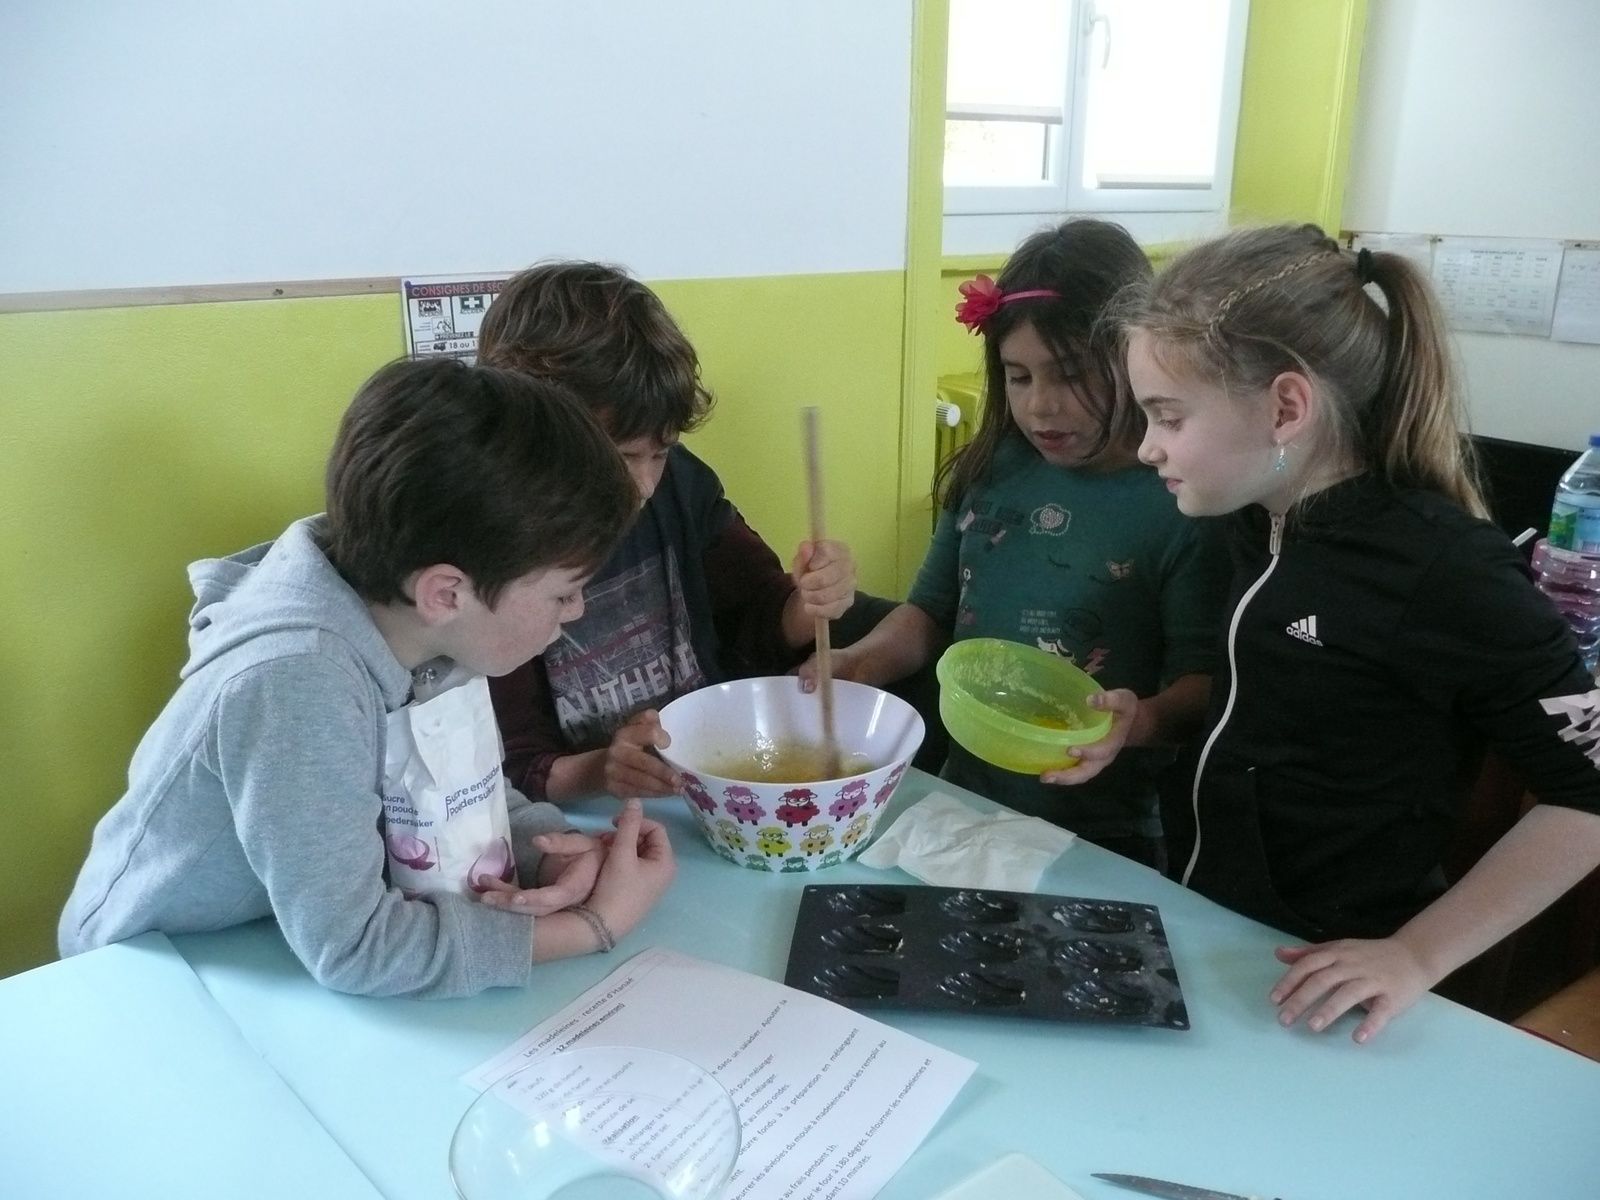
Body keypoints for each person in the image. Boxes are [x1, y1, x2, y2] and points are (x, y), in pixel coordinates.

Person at [58, 359, 676, 997]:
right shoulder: (297, 683)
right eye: (564, 593)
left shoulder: (418, 615)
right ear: (446, 593)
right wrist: (591, 926)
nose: (576, 613)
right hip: (149, 971)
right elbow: (356, 948)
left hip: (269, 937)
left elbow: (457, 787)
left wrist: (552, 850)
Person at [1121, 222, 1600, 1041]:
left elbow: (1587, 796)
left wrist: (1415, 955)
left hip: (1326, 984)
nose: (1145, 448)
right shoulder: (1255, 523)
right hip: (1218, 933)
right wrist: (1148, 721)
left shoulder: (1444, 569)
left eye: (1167, 417)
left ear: (1286, 408)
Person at [800, 220, 1228, 869]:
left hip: (1104, 833)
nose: (1039, 407)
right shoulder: (992, 469)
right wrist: (858, 663)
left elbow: (1202, 686)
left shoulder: (1178, 501)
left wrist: (1136, 721)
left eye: (1070, 375)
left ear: (1135, 358)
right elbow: (928, 614)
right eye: (1018, 376)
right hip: (962, 800)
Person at [478, 262, 858, 803]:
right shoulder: (490, 551)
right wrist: (603, 770)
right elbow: (512, 767)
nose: (644, 485)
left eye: (659, 452)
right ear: (533, 438)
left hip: (709, 786)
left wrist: (813, 599)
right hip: (582, 821)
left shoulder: (682, 485)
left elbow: (758, 627)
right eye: (622, 456)